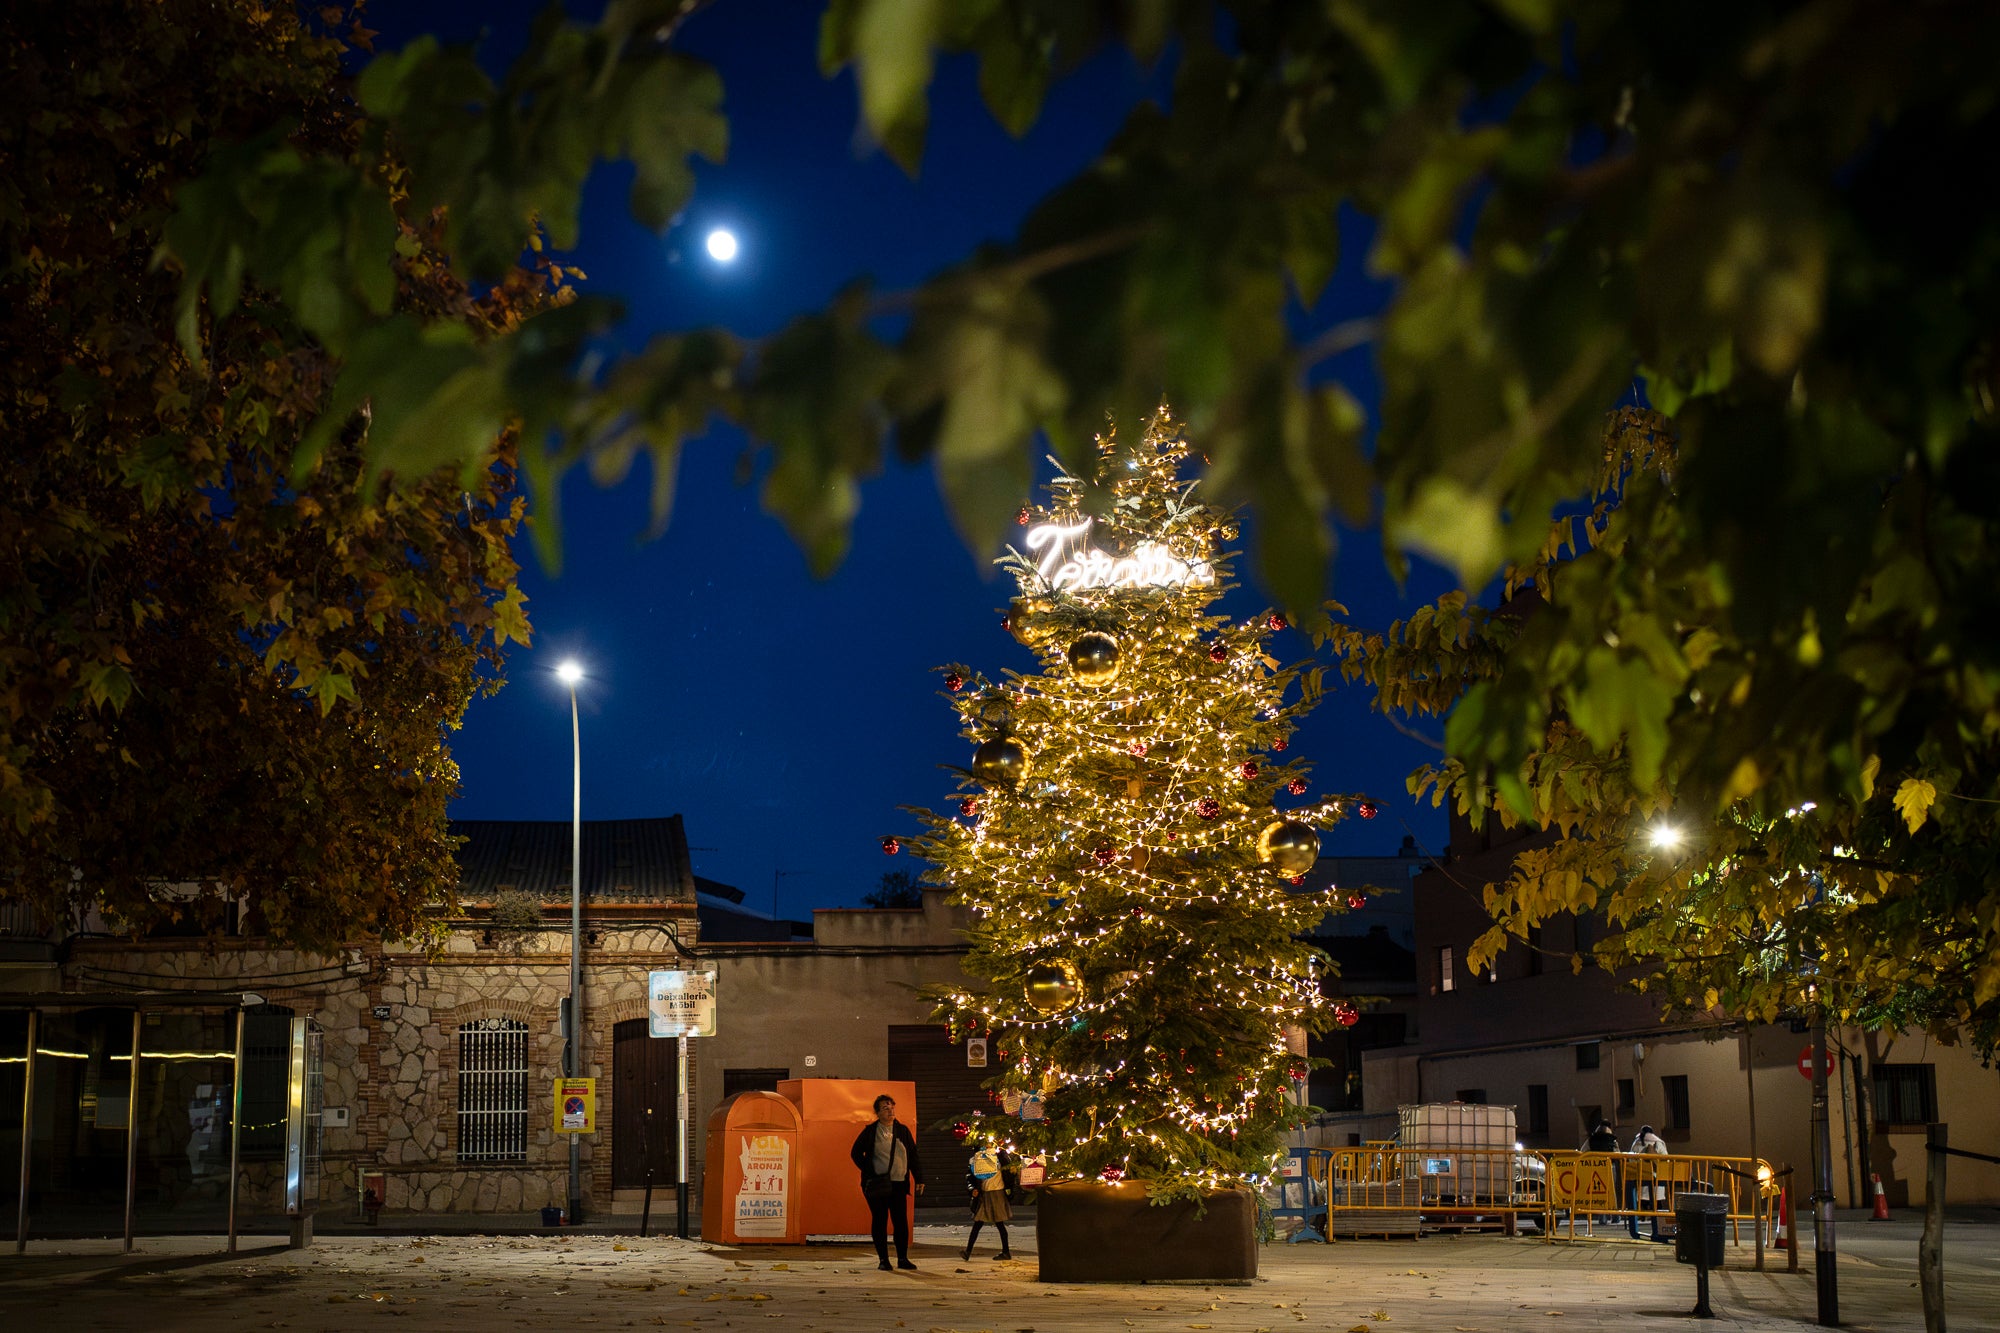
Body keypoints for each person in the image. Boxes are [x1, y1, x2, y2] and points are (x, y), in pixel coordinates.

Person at [850, 1094, 924, 1270]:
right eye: (885, 1108)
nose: (890, 1111)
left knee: (900, 1222)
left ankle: (902, 1259)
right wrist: (869, 1170)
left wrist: (919, 1177)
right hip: (877, 1184)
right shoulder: (871, 1131)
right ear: (877, 1112)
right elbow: (855, 1153)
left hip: (899, 1183)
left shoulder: (902, 1130)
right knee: (880, 1220)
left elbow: (913, 1155)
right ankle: (883, 1260)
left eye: (892, 1107)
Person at [961, 1144, 1014, 1261]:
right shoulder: (977, 1157)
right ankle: (968, 1251)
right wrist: (972, 1189)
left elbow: (1009, 1172)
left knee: (997, 1223)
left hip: (996, 1192)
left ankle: (1005, 1252)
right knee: (979, 1222)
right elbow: (970, 1176)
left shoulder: (1000, 1155)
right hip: (984, 1193)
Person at [1628, 1123, 1668, 1239]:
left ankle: (1641, 1220)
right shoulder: (1659, 1143)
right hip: (1657, 1177)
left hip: (1642, 1177)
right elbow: (1665, 1159)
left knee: (1643, 1200)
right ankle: (1660, 1229)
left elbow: (1631, 1159)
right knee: (1657, 1202)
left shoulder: (1637, 1143)